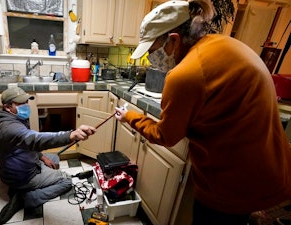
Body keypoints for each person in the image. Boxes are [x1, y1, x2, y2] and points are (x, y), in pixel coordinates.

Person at [115, 1, 291, 225]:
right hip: (270, 172)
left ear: (174, 39)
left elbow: (165, 135)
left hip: (231, 186)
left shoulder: (184, 74)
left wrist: (129, 116)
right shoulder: (225, 45)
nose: (151, 57)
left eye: (152, 50)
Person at [0, 87, 96, 224]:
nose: (26, 105)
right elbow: (36, 139)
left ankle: (27, 186)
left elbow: (28, 143)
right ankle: (26, 198)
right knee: (66, 181)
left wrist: (42, 157)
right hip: (21, 176)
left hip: (24, 163)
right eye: (20, 103)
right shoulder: (9, 128)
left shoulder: (15, 118)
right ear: (7, 107)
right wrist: (70, 135)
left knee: (54, 158)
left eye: (26, 101)